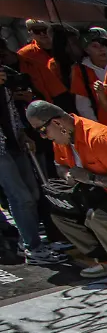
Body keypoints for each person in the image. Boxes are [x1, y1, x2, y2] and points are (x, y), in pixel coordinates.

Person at [26, 101, 107, 284]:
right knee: (59, 213)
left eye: (42, 130)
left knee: (98, 217)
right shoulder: (62, 138)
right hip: (98, 192)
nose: (43, 136)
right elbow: (61, 165)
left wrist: (88, 178)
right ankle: (106, 259)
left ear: (57, 123)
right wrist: (68, 175)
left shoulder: (100, 138)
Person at [0, 69, 55, 265]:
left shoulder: (4, 84)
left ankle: (29, 240)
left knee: (33, 193)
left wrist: (22, 132)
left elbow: (11, 111)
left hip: (13, 141)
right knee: (20, 196)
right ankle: (33, 247)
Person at [18, 20, 70, 110]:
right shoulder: (24, 54)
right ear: (30, 33)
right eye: (37, 31)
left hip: (73, 90)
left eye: (45, 30)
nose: (42, 34)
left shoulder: (69, 46)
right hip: (49, 99)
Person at [70, 28, 107, 121]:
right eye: (95, 46)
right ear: (86, 50)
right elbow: (83, 105)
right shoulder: (80, 70)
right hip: (102, 122)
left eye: (103, 45)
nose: (101, 49)